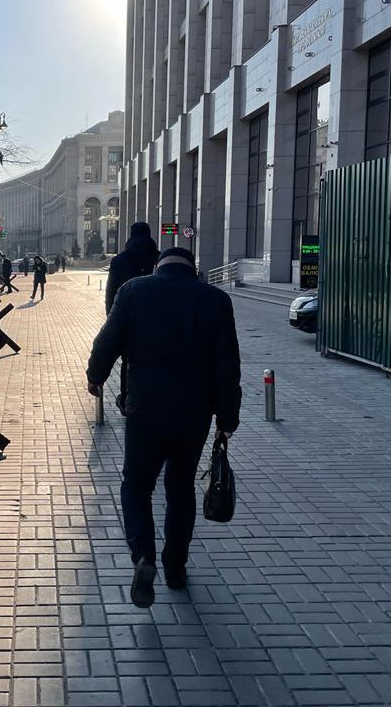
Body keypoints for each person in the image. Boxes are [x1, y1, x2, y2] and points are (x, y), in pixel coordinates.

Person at [86, 246, 241, 608]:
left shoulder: (135, 291)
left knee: (137, 485)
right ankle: (175, 567)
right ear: (193, 268)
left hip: (145, 409)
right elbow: (227, 365)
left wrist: (96, 377)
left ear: (158, 267)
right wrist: (227, 418)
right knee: (180, 486)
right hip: (194, 413)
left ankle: (144, 557)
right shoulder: (215, 300)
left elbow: (106, 341)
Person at [105, 222, 161, 414]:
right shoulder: (158, 258)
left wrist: (111, 322)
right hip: (158, 321)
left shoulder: (119, 261)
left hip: (129, 320)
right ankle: (154, 397)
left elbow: (111, 294)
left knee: (128, 361)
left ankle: (127, 400)